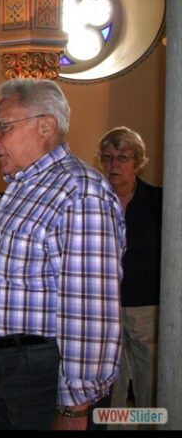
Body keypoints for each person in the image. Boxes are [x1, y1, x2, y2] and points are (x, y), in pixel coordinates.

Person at [0, 78, 125, 430]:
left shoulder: (80, 192)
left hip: (45, 373)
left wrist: (74, 408)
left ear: (45, 127)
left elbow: (89, 310)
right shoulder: (20, 191)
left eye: (1, 127)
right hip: (7, 368)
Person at [97, 127, 162, 413]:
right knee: (111, 386)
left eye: (122, 157)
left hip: (147, 307)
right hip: (105, 307)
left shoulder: (157, 201)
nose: (114, 165)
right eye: (108, 157)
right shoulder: (94, 202)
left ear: (137, 162)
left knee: (151, 386)